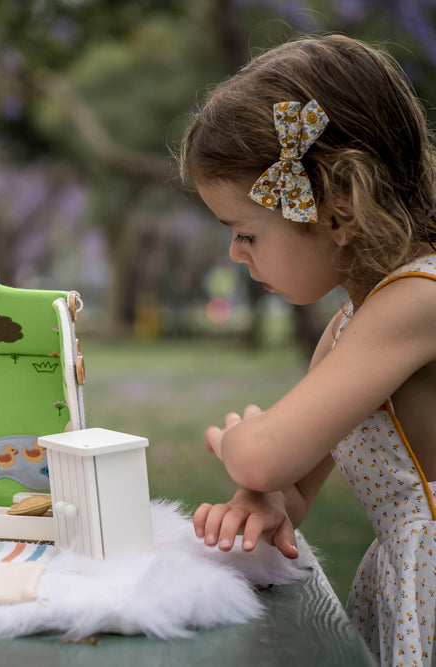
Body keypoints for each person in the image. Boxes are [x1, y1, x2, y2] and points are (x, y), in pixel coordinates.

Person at [177, 34, 436, 666]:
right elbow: (293, 482)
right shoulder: (352, 324)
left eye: (245, 233)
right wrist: (263, 504)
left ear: (337, 211)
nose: (237, 255)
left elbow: (264, 454)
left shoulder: (418, 300)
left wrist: (240, 441)